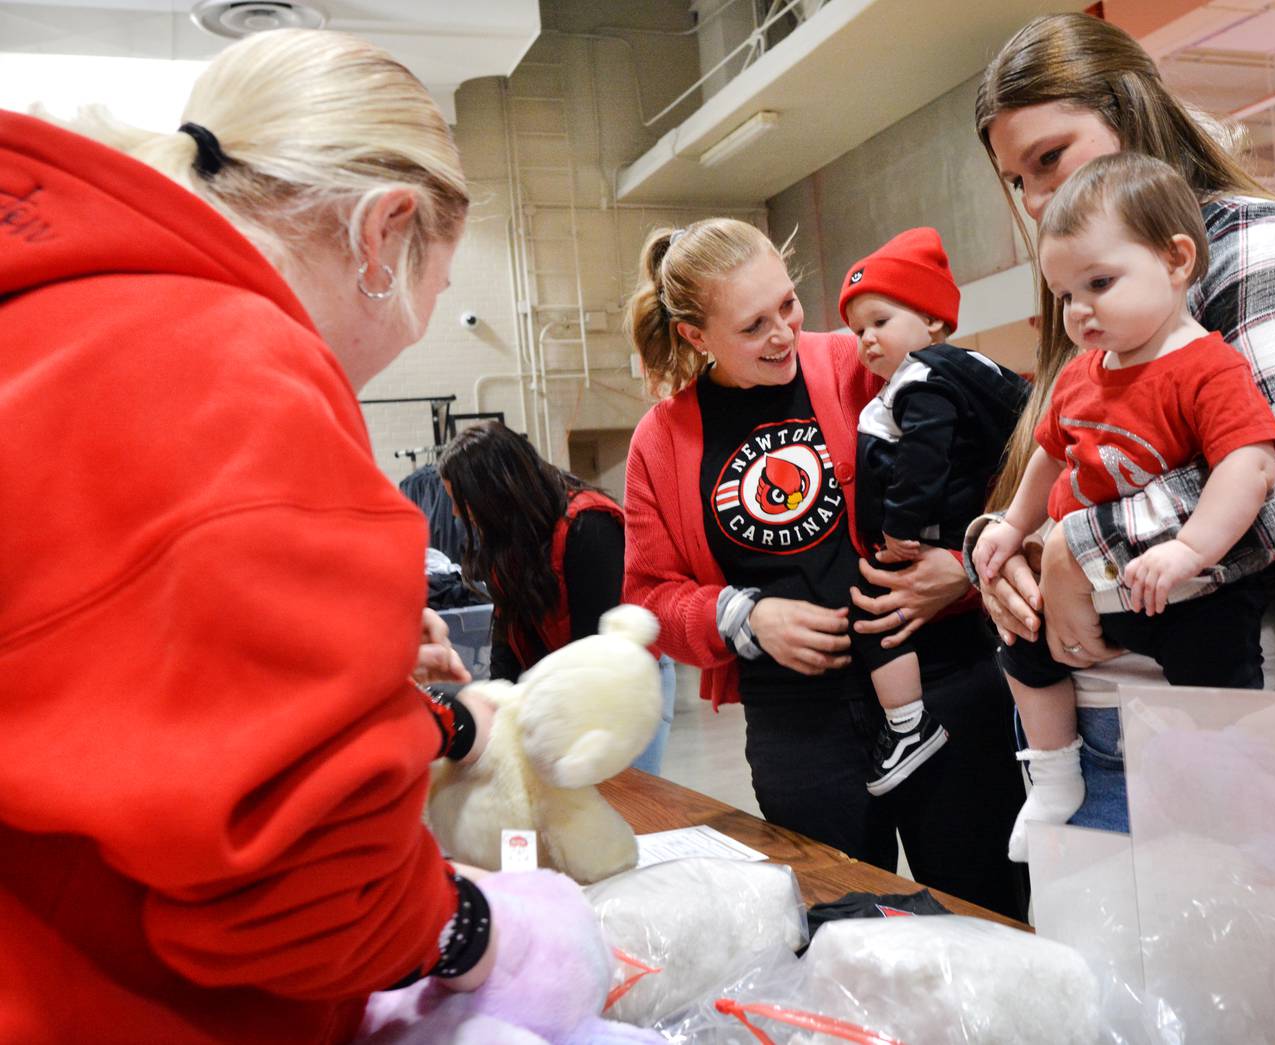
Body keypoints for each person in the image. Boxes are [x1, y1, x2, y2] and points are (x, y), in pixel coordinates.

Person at [1, 29, 602, 1044]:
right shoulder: (229, 371)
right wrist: (469, 931)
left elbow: (129, 711)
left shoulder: (65, 327)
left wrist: (389, 708)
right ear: (385, 233)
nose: (413, 327)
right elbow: (292, 884)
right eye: (433, 289)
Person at [966, 12, 1275, 837]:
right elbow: (1054, 457)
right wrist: (1003, 548)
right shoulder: (1086, 291)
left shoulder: (1251, 244)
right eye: (1016, 179)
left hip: (1261, 712)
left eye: (1051, 158)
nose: (1036, 198)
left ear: (1131, 113)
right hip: (1099, 716)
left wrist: (1081, 546)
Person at [623, 218, 1027, 921]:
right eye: (752, 326)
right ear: (696, 336)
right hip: (801, 725)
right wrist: (743, 617)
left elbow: (1011, 453)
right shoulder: (662, 438)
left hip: (944, 684)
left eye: (788, 304)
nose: (782, 332)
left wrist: (964, 564)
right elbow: (647, 597)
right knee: (841, 930)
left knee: (988, 913)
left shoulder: (858, 359)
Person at [974, 153, 1275, 860]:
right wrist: (1013, 523)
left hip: (1180, 591)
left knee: (1220, 674)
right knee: (1020, 653)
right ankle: (1053, 776)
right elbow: (1047, 454)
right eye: (1063, 295)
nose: (1078, 311)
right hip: (1085, 591)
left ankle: (1231, 796)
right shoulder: (1084, 371)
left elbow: (1250, 461)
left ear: (1177, 260)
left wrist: (1190, 548)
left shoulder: (1207, 363)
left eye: (1099, 284)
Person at [838, 227, 1029, 795]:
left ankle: (907, 724)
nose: (866, 340)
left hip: (923, 533)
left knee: (874, 615)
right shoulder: (943, 376)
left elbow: (924, 458)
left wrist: (901, 528)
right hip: (938, 530)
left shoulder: (922, 380)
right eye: (857, 331)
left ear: (934, 323)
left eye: (880, 321)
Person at [437, 421, 675, 773]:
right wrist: (498, 705)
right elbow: (506, 629)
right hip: (564, 684)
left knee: (623, 804)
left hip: (623, 687)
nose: (456, 512)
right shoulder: (506, 537)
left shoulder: (589, 527)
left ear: (494, 490)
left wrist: (541, 711)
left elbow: (593, 651)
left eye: (461, 500)